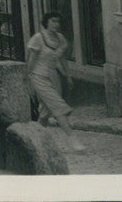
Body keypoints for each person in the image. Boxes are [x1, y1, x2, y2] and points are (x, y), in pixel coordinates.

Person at [27, 12, 85, 151]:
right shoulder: (38, 38)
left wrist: (67, 76)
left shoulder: (60, 38)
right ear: (46, 22)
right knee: (58, 107)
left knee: (45, 111)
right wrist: (27, 80)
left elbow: (62, 60)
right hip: (39, 76)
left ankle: (35, 140)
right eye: (53, 21)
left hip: (54, 77)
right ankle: (73, 140)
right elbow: (30, 61)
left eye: (58, 22)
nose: (56, 24)